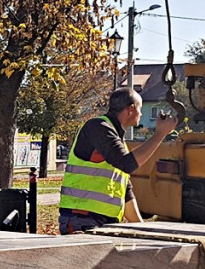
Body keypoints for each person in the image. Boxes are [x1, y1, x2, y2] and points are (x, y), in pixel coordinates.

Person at [58, 87, 177, 234]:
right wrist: (160, 134)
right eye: (139, 109)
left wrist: (142, 229)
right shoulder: (98, 127)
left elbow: (125, 193)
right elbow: (127, 164)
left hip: (103, 222)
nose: (140, 114)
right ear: (131, 109)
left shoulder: (117, 141)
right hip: (82, 219)